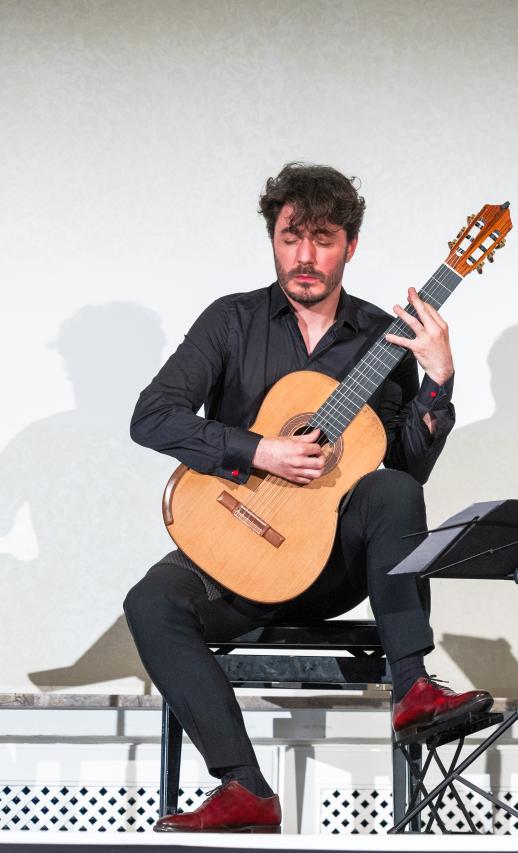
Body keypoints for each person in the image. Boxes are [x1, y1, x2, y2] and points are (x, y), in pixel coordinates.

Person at [125, 163, 492, 833]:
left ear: (350, 246)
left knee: (392, 489)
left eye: (322, 239)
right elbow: (152, 417)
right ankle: (244, 787)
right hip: (236, 551)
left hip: (328, 563)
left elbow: (407, 469)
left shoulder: (386, 338)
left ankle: (413, 686)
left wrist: (438, 381)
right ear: (273, 238)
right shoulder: (231, 322)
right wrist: (258, 450)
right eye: (291, 237)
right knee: (150, 602)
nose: (304, 255)